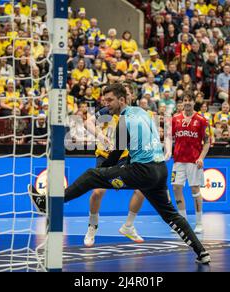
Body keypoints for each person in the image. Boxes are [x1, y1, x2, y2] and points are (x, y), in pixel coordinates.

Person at [28, 83, 211, 264]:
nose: (106, 104)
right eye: (104, 100)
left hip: (143, 170)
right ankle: (201, 252)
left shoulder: (124, 121)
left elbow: (116, 153)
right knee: (171, 215)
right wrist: (111, 172)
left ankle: (47, 204)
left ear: (122, 100)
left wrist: (104, 172)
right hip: (160, 170)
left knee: (92, 175)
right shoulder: (143, 113)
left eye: (110, 100)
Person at [82, 85, 146, 247]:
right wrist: (102, 137)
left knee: (143, 189)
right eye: (125, 93)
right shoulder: (107, 111)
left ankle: (129, 226)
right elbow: (87, 123)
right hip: (105, 157)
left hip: (126, 158)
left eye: (129, 93)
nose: (127, 95)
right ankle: (92, 226)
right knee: (97, 192)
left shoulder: (135, 114)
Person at [165, 92, 211, 234]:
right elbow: (168, 137)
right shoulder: (175, 119)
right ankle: (182, 222)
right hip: (178, 161)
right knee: (176, 187)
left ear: (193, 102)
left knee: (195, 190)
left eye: (189, 100)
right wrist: (167, 151)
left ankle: (199, 223)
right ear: (182, 102)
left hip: (194, 161)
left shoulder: (202, 120)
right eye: (185, 100)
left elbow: (207, 142)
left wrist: (201, 158)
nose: (187, 103)